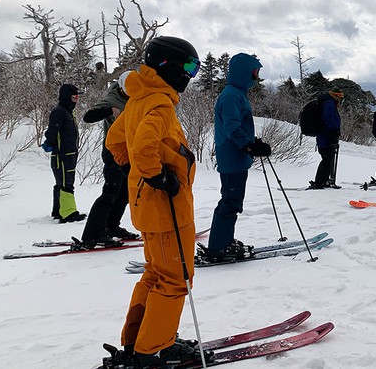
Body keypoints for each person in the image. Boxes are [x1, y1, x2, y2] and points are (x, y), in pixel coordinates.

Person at [104, 36, 204, 368]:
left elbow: (115, 140)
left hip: (147, 207)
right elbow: (144, 144)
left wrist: (132, 168)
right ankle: (152, 350)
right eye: (189, 66)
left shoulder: (138, 98)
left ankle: (137, 341)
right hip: (167, 210)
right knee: (176, 279)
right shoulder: (159, 102)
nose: (191, 74)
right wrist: (156, 176)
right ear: (170, 66)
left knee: (155, 274)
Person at [200, 53, 272, 263]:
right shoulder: (232, 95)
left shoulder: (237, 93)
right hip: (233, 156)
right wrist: (249, 145)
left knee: (232, 200)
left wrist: (253, 142)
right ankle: (219, 247)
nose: (256, 76)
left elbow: (238, 125)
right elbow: (232, 127)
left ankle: (224, 242)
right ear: (245, 71)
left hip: (236, 156)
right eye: (254, 72)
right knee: (230, 201)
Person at [80, 71, 139, 247]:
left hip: (127, 152)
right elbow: (88, 116)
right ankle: (92, 234)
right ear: (122, 88)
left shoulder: (133, 97)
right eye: (129, 90)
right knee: (110, 192)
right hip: (113, 151)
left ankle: (111, 226)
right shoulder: (112, 99)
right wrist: (109, 111)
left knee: (125, 193)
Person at [42, 83, 86, 223]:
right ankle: (68, 213)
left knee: (62, 182)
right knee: (66, 182)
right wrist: (49, 144)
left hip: (70, 153)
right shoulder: (59, 111)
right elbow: (52, 132)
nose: (76, 100)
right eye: (74, 97)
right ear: (67, 97)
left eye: (77, 97)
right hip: (62, 154)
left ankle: (58, 211)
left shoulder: (68, 112)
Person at [308, 87, 344, 189]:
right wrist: (334, 130)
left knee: (329, 159)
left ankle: (324, 181)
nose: (340, 101)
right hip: (326, 136)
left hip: (325, 136)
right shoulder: (329, 103)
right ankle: (319, 182)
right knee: (327, 159)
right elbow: (328, 119)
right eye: (340, 98)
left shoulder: (328, 102)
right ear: (335, 96)